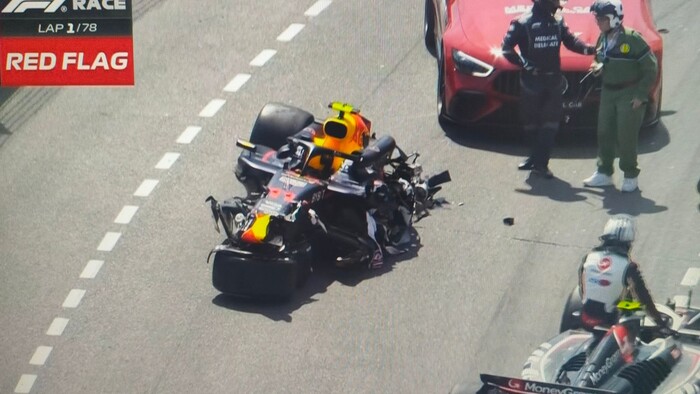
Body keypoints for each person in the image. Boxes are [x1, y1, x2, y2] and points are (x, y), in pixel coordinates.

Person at [502, 0, 595, 179]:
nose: (557, 7)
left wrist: (590, 50)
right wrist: (525, 64)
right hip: (531, 83)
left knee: (550, 124)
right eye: (554, 3)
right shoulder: (521, 23)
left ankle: (541, 164)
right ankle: (535, 158)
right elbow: (506, 48)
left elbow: (571, 42)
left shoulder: (558, 22)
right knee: (530, 124)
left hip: (553, 82)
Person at [582, 0, 658, 192]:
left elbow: (651, 67)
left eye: (602, 19)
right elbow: (598, 58)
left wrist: (641, 95)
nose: (598, 22)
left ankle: (630, 175)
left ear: (614, 19)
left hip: (629, 93)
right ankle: (604, 172)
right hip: (608, 92)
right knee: (604, 132)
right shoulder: (603, 38)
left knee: (626, 136)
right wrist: (595, 67)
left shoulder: (632, 39)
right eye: (597, 18)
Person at [578, 215, 667, 334]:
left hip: (585, 317)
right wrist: (659, 321)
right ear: (628, 242)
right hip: (609, 322)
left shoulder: (588, 257)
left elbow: (582, 287)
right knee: (637, 308)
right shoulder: (628, 266)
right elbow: (644, 298)